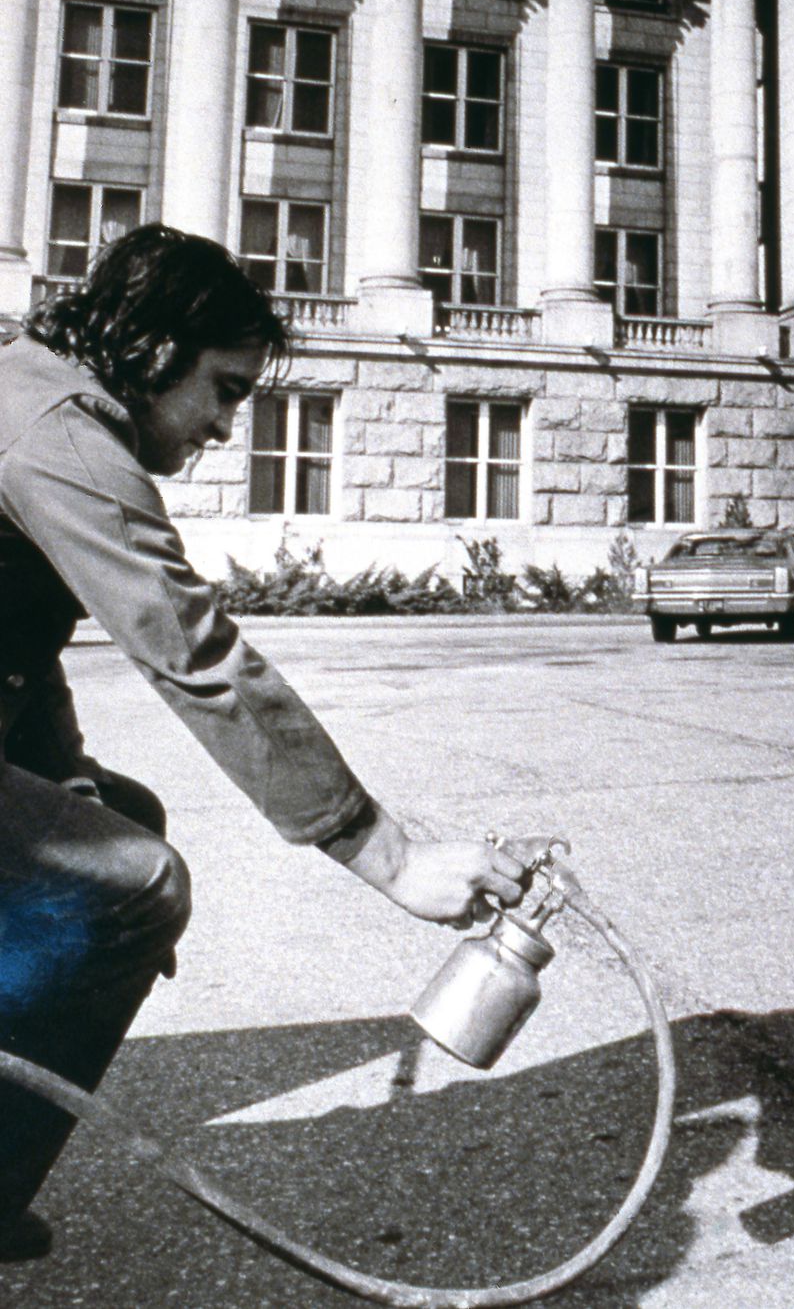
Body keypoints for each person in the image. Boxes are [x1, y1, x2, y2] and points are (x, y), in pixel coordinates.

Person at [0, 226, 526, 1262]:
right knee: (129, 884)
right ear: (153, 352)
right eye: (226, 390)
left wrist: (60, 767)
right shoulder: (56, 432)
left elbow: (23, 639)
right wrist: (390, 855)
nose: (228, 427)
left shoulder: (40, 396)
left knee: (115, 817)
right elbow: (192, 650)